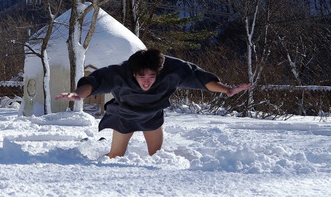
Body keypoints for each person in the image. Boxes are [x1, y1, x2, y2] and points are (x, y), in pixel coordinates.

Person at [56, 48, 250, 158]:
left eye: (152, 76)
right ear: (134, 73)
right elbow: (95, 81)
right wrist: (78, 94)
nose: (147, 80)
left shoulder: (172, 70)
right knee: (116, 155)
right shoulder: (120, 73)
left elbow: (198, 77)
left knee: (157, 157)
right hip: (125, 116)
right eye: (142, 76)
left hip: (152, 116)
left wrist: (226, 89)